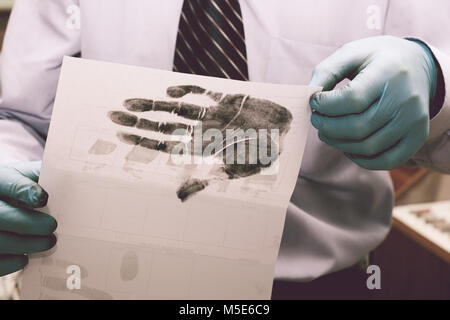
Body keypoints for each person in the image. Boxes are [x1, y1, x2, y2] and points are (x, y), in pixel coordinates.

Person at [0, 0, 448, 282]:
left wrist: (435, 80)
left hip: (313, 283)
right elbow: (19, 114)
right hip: (94, 275)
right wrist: (8, 174)